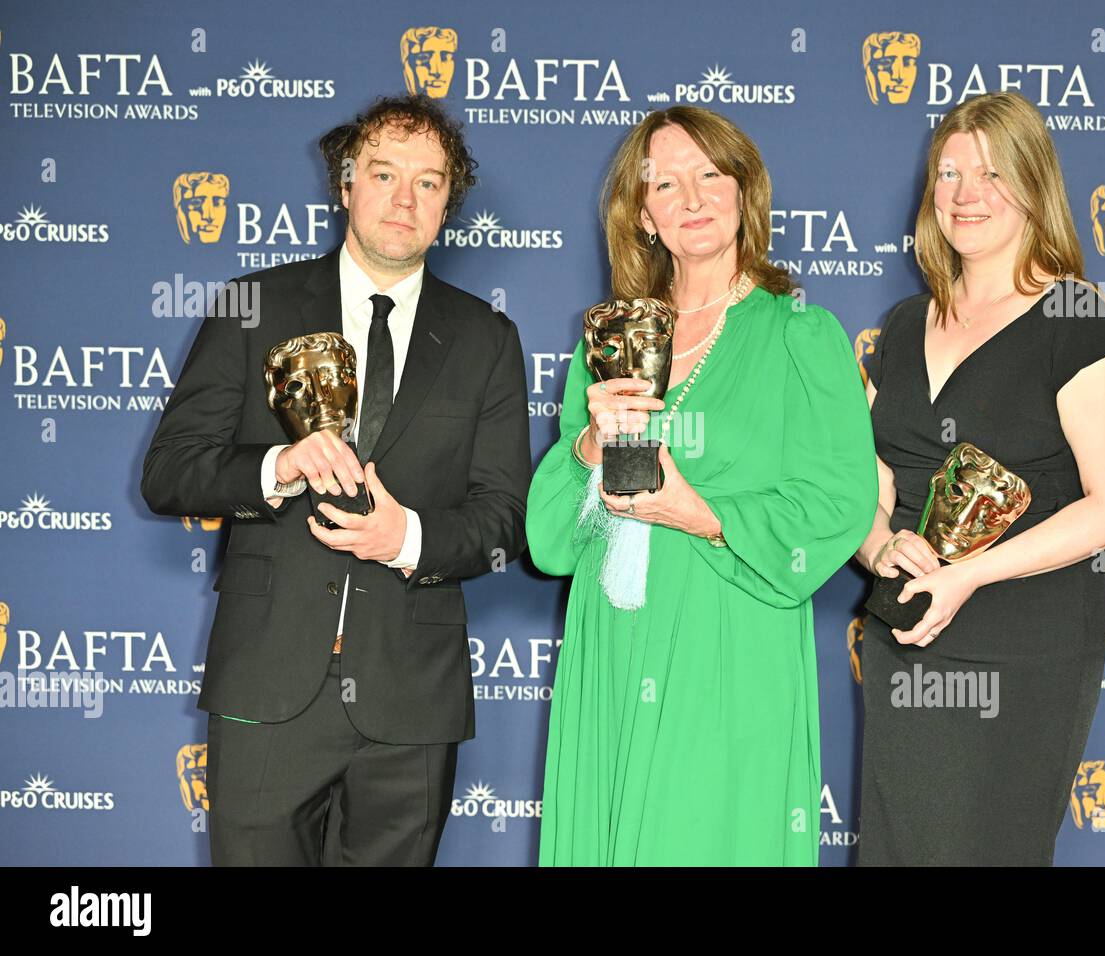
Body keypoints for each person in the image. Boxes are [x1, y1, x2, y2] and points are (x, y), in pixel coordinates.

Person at [141, 94, 531, 866]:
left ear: (449, 203)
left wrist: (407, 537)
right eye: (384, 173)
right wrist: (275, 467)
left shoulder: (487, 338)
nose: (404, 198)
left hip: (411, 699)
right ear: (345, 184)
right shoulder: (254, 306)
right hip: (267, 683)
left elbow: (505, 518)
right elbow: (170, 473)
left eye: (429, 181)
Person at [526, 106, 876, 866]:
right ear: (642, 214)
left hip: (729, 644)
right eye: (665, 183)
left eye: (710, 175)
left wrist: (704, 515)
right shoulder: (606, 344)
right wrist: (589, 444)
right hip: (610, 648)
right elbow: (551, 542)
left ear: (744, 192)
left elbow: (839, 501)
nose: (690, 196)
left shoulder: (800, 333)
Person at [854, 91, 1105, 865]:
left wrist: (969, 576)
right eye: (948, 174)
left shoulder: (1075, 320)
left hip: (1024, 642)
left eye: (989, 173)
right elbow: (870, 474)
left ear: (1033, 184)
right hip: (907, 630)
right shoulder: (904, 324)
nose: (964, 193)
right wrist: (880, 545)